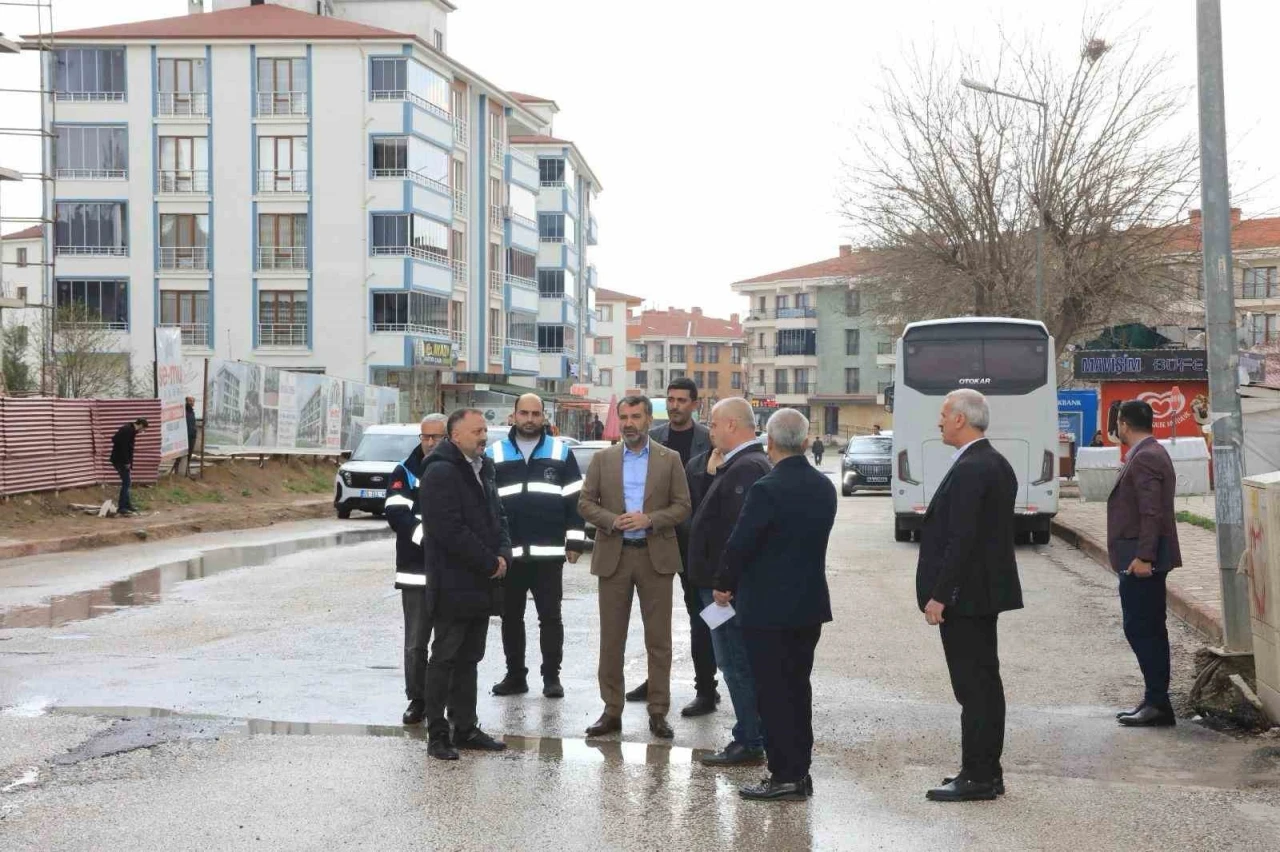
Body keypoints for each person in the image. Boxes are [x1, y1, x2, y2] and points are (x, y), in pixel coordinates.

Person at [715, 408, 835, 801]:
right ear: (805, 442)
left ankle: (785, 775)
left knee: (773, 694)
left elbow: (741, 543)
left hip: (768, 609)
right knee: (798, 690)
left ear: (769, 442)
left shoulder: (766, 488)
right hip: (808, 605)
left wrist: (723, 584)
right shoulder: (824, 486)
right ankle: (799, 771)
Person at [916, 389, 1021, 802]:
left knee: (974, 689)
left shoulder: (974, 466)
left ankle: (977, 776)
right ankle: (985, 771)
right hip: (980, 594)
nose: (939, 421)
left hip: (967, 598)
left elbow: (963, 539)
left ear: (961, 418)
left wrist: (942, 594)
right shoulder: (990, 461)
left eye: (944, 414)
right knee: (983, 685)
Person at [578, 394, 692, 740]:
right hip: (614, 556)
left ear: (648, 419)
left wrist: (650, 519)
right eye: (624, 417)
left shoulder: (669, 459)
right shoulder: (603, 459)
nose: (629, 424)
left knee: (659, 640)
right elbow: (585, 503)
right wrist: (612, 520)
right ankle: (611, 711)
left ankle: (658, 711)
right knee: (612, 639)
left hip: (655, 557)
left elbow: (683, 506)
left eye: (636, 417)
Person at [419, 408, 512, 760]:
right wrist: (489, 562)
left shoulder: (484, 467)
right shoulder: (440, 471)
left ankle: (466, 727)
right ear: (455, 435)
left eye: (485, 430)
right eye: (476, 431)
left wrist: (504, 554)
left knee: (470, 657)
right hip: (452, 582)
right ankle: (437, 734)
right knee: (444, 657)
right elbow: (448, 530)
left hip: (481, 582)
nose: (484, 436)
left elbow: (498, 516)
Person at [686, 397, 772, 767]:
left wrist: (725, 582)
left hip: (725, 591)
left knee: (735, 662)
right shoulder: (738, 464)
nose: (710, 431)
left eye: (715, 423)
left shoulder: (746, 467)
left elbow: (739, 534)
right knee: (734, 661)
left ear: (733, 425)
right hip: (719, 586)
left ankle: (750, 740)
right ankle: (752, 734)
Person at [627, 377, 720, 717]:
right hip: (658, 539)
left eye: (682, 400)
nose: (675, 405)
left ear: (694, 404)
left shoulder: (709, 439)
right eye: (670, 399)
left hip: (698, 543)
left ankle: (706, 689)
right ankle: (655, 681)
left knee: (702, 617)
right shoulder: (653, 439)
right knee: (654, 617)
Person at [487, 394, 586, 699]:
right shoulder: (494, 453)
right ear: (513, 416)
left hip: (548, 554)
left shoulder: (560, 452)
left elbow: (575, 499)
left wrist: (575, 540)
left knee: (550, 618)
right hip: (510, 555)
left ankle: (551, 677)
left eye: (535, 413)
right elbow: (486, 504)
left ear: (544, 417)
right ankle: (515, 676)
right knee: (510, 618)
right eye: (524, 413)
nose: (529, 419)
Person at [1108, 399, 1182, 728]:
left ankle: (1157, 703)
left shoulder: (1146, 456)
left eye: (1118, 424)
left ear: (1124, 424)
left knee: (1143, 629)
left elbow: (1152, 512)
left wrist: (1144, 557)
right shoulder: (1148, 452)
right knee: (1146, 628)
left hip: (1141, 561)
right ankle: (1154, 699)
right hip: (1139, 557)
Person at [384, 414, 447, 726]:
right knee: (416, 643)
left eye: (437, 437)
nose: (430, 443)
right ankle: (417, 700)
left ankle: (446, 701)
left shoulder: (460, 467)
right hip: (416, 570)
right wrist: (432, 539)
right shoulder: (405, 471)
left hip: (451, 572)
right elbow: (397, 513)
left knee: (449, 642)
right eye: (426, 437)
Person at [110, 418, 149, 516]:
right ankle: (122, 507)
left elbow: (116, 440)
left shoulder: (130, 429)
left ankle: (127, 505)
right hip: (120, 461)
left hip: (120, 460)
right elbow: (123, 447)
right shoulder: (127, 430)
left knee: (127, 482)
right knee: (126, 482)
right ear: (141, 425)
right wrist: (126, 462)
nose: (142, 431)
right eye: (143, 429)